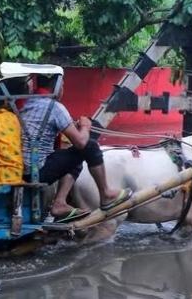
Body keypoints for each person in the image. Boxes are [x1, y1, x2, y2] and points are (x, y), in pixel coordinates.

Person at [19, 74, 132, 223]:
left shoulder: (26, 103)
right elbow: (81, 143)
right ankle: (105, 194)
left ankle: (60, 202)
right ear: (58, 86)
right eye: (63, 86)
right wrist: (85, 126)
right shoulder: (55, 108)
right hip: (37, 171)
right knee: (90, 146)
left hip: (20, 167)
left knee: (74, 155)